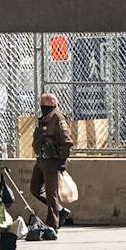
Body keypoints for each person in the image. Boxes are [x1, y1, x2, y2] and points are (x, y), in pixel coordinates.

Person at [29, 92, 72, 237]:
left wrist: (61, 161)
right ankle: (59, 210)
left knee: (51, 193)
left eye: (45, 104)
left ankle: (52, 224)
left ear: (52, 104)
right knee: (34, 188)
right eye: (42, 104)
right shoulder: (46, 118)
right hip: (42, 160)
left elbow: (67, 142)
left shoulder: (58, 118)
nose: (43, 107)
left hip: (52, 162)